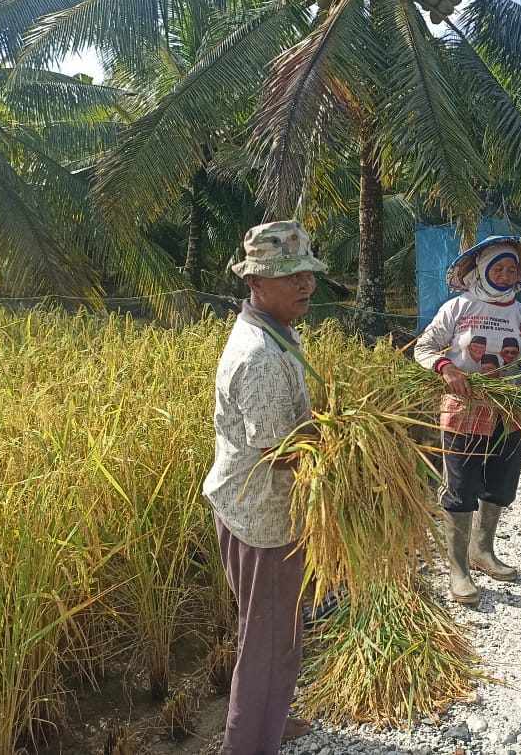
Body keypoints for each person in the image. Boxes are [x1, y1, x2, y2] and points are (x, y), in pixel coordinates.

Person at [203, 220, 325, 755]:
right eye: (291, 276)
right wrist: (347, 453)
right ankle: (246, 743)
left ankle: (273, 719)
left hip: (268, 512)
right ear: (256, 283)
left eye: (307, 274)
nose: (305, 285)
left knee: (280, 630)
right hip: (263, 521)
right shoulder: (258, 355)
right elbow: (283, 453)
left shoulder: (279, 329)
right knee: (267, 642)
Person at [415, 236, 521, 604]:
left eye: (511, 270)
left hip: (509, 414)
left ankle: (482, 551)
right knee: (460, 487)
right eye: (497, 268)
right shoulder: (458, 307)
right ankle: (459, 568)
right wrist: (447, 368)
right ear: (482, 270)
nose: (505, 275)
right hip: (464, 412)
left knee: (501, 485)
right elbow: (424, 347)